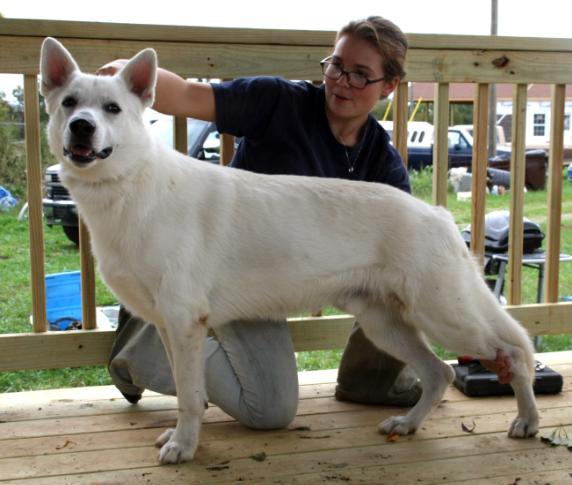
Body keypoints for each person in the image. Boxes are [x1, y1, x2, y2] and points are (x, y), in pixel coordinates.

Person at [104, 16, 422, 430]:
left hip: (268, 292)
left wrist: (484, 338)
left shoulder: (381, 161)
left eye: (360, 75)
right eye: (336, 65)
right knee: (270, 410)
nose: (341, 81)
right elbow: (184, 94)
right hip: (218, 269)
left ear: (389, 86)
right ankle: (144, 341)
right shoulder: (277, 102)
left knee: (272, 406)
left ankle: (367, 380)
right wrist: (120, 76)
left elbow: (408, 250)